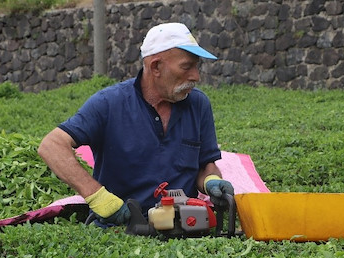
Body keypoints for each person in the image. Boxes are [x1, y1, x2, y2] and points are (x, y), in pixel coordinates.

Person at [38, 22, 234, 227]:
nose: (196, 76)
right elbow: (52, 146)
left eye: (196, 66)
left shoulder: (198, 104)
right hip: (121, 228)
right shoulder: (108, 103)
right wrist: (97, 197)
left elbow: (206, 164)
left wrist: (211, 180)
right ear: (156, 67)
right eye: (187, 67)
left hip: (184, 227)